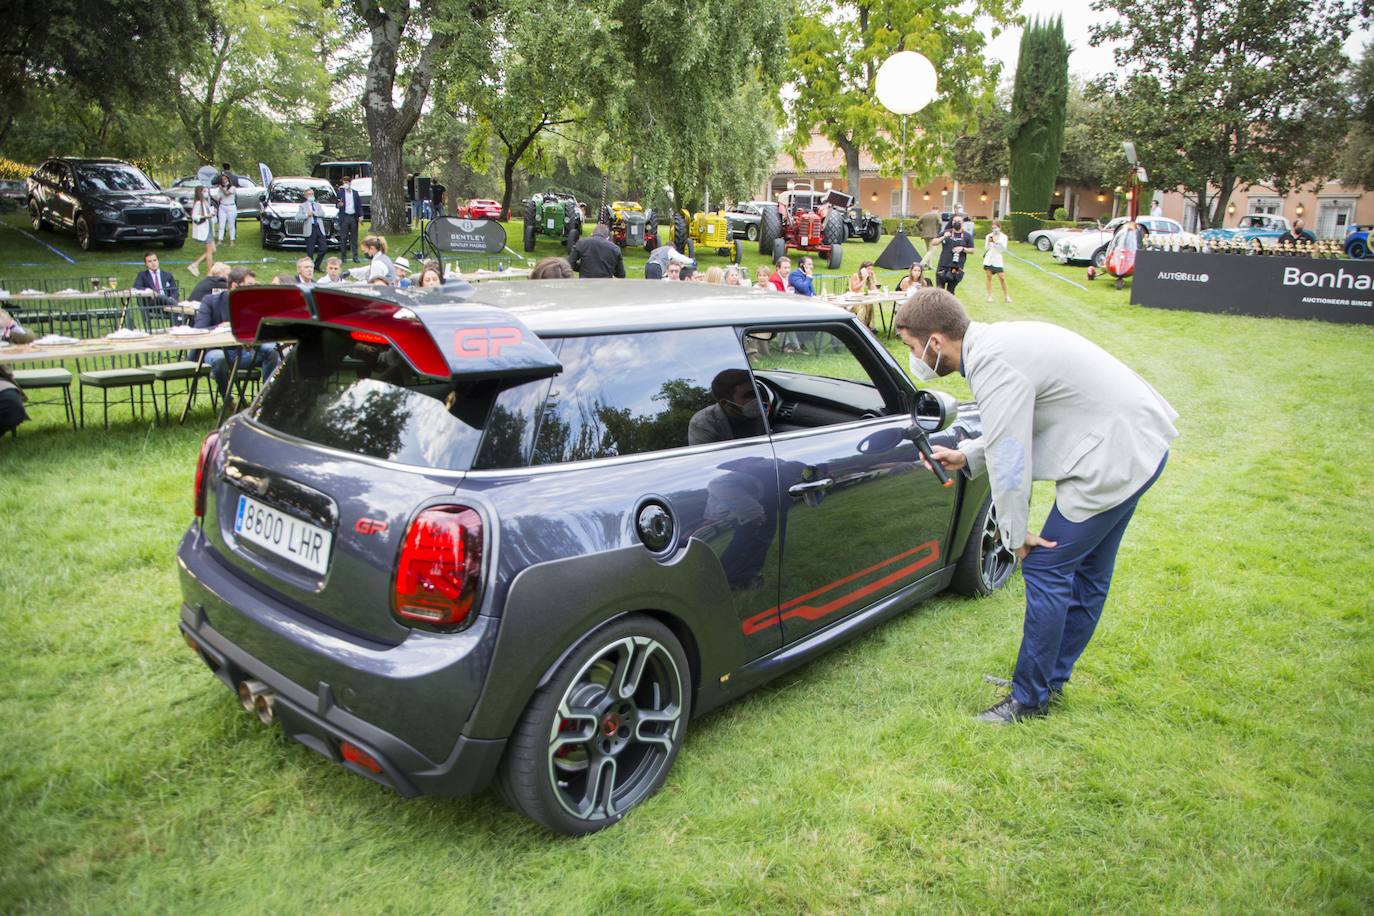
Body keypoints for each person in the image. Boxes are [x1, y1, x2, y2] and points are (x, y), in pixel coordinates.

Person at [895, 288, 1177, 724]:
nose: (914, 359)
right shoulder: (996, 343)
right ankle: (1047, 679)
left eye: (912, 348)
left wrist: (1013, 534)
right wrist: (969, 455)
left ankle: (1028, 699)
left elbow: (1011, 457)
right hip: (1139, 441)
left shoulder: (992, 362)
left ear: (935, 342)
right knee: (1087, 574)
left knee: (1047, 568)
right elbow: (1018, 421)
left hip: (1116, 454)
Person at [193, 267, 281, 399]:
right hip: (219, 350)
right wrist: (220, 326)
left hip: (246, 352)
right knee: (219, 358)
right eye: (250, 285)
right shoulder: (211, 301)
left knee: (271, 351)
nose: (253, 289)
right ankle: (227, 399)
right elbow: (200, 329)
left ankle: (265, 398)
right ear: (234, 285)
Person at [688, 368, 766, 445]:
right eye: (749, 395)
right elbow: (709, 456)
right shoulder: (703, 424)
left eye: (757, 392)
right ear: (725, 403)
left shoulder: (768, 407)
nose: (757, 398)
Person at [935, 216, 973, 292]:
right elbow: (934, 242)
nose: (956, 223)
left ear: (962, 223)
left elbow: (972, 250)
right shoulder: (946, 232)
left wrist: (962, 249)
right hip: (943, 265)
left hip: (956, 267)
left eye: (959, 221)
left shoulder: (967, 235)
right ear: (952, 222)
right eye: (954, 221)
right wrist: (943, 237)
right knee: (939, 290)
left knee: (950, 291)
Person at [297, 186, 329, 271]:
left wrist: (314, 213)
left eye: (312, 194)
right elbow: (298, 217)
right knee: (310, 251)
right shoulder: (302, 206)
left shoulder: (317, 205)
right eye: (309, 194)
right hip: (309, 228)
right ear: (305, 196)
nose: (311, 196)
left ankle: (316, 265)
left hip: (319, 228)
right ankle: (310, 268)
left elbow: (322, 214)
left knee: (323, 248)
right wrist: (306, 215)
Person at [187, 186, 215, 277]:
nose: (206, 192)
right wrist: (207, 216)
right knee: (209, 251)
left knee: (213, 250)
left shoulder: (205, 202)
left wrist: (212, 212)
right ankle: (209, 272)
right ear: (200, 192)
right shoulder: (198, 203)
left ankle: (195, 264)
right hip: (204, 229)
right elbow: (195, 216)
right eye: (204, 191)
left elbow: (208, 213)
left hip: (209, 227)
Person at [337, 175, 363, 263]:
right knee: (343, 238)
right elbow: (336, 204)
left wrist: (361, 215)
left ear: (350, 183)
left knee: (354, 238)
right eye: (344, 182)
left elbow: (359, 205)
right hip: (344, 217)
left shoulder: (355, 193)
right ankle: (343, 258)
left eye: (347, 182)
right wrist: (339, 205)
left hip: (353, 217)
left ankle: (355, 257)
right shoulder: (340, 193)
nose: (345, 184)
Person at [983, 221, 1011, 303]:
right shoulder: (989, 236)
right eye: (993, 228)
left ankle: (1006, 296)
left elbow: (1003, 249)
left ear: (999, 227)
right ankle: (990, 296)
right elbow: (986, 248)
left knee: (1002, 277)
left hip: (997, 259)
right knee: (989, 277)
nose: (994, 229)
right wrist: (989, 242)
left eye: (996, 227)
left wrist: (995, 242)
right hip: (989, 259)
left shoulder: (1004, 237)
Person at [214, 174, 237, 246]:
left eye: (225, 179)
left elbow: (227, 193)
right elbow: (218, 198)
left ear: (228, 179)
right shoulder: (220, 189)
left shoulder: (232, 187)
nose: (224, 180)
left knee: (231, 224)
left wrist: (221, 189)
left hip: (231, 207)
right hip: (222, 207)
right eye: (222, 179)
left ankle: (232, 241)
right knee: (221, 224)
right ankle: (220, 240)